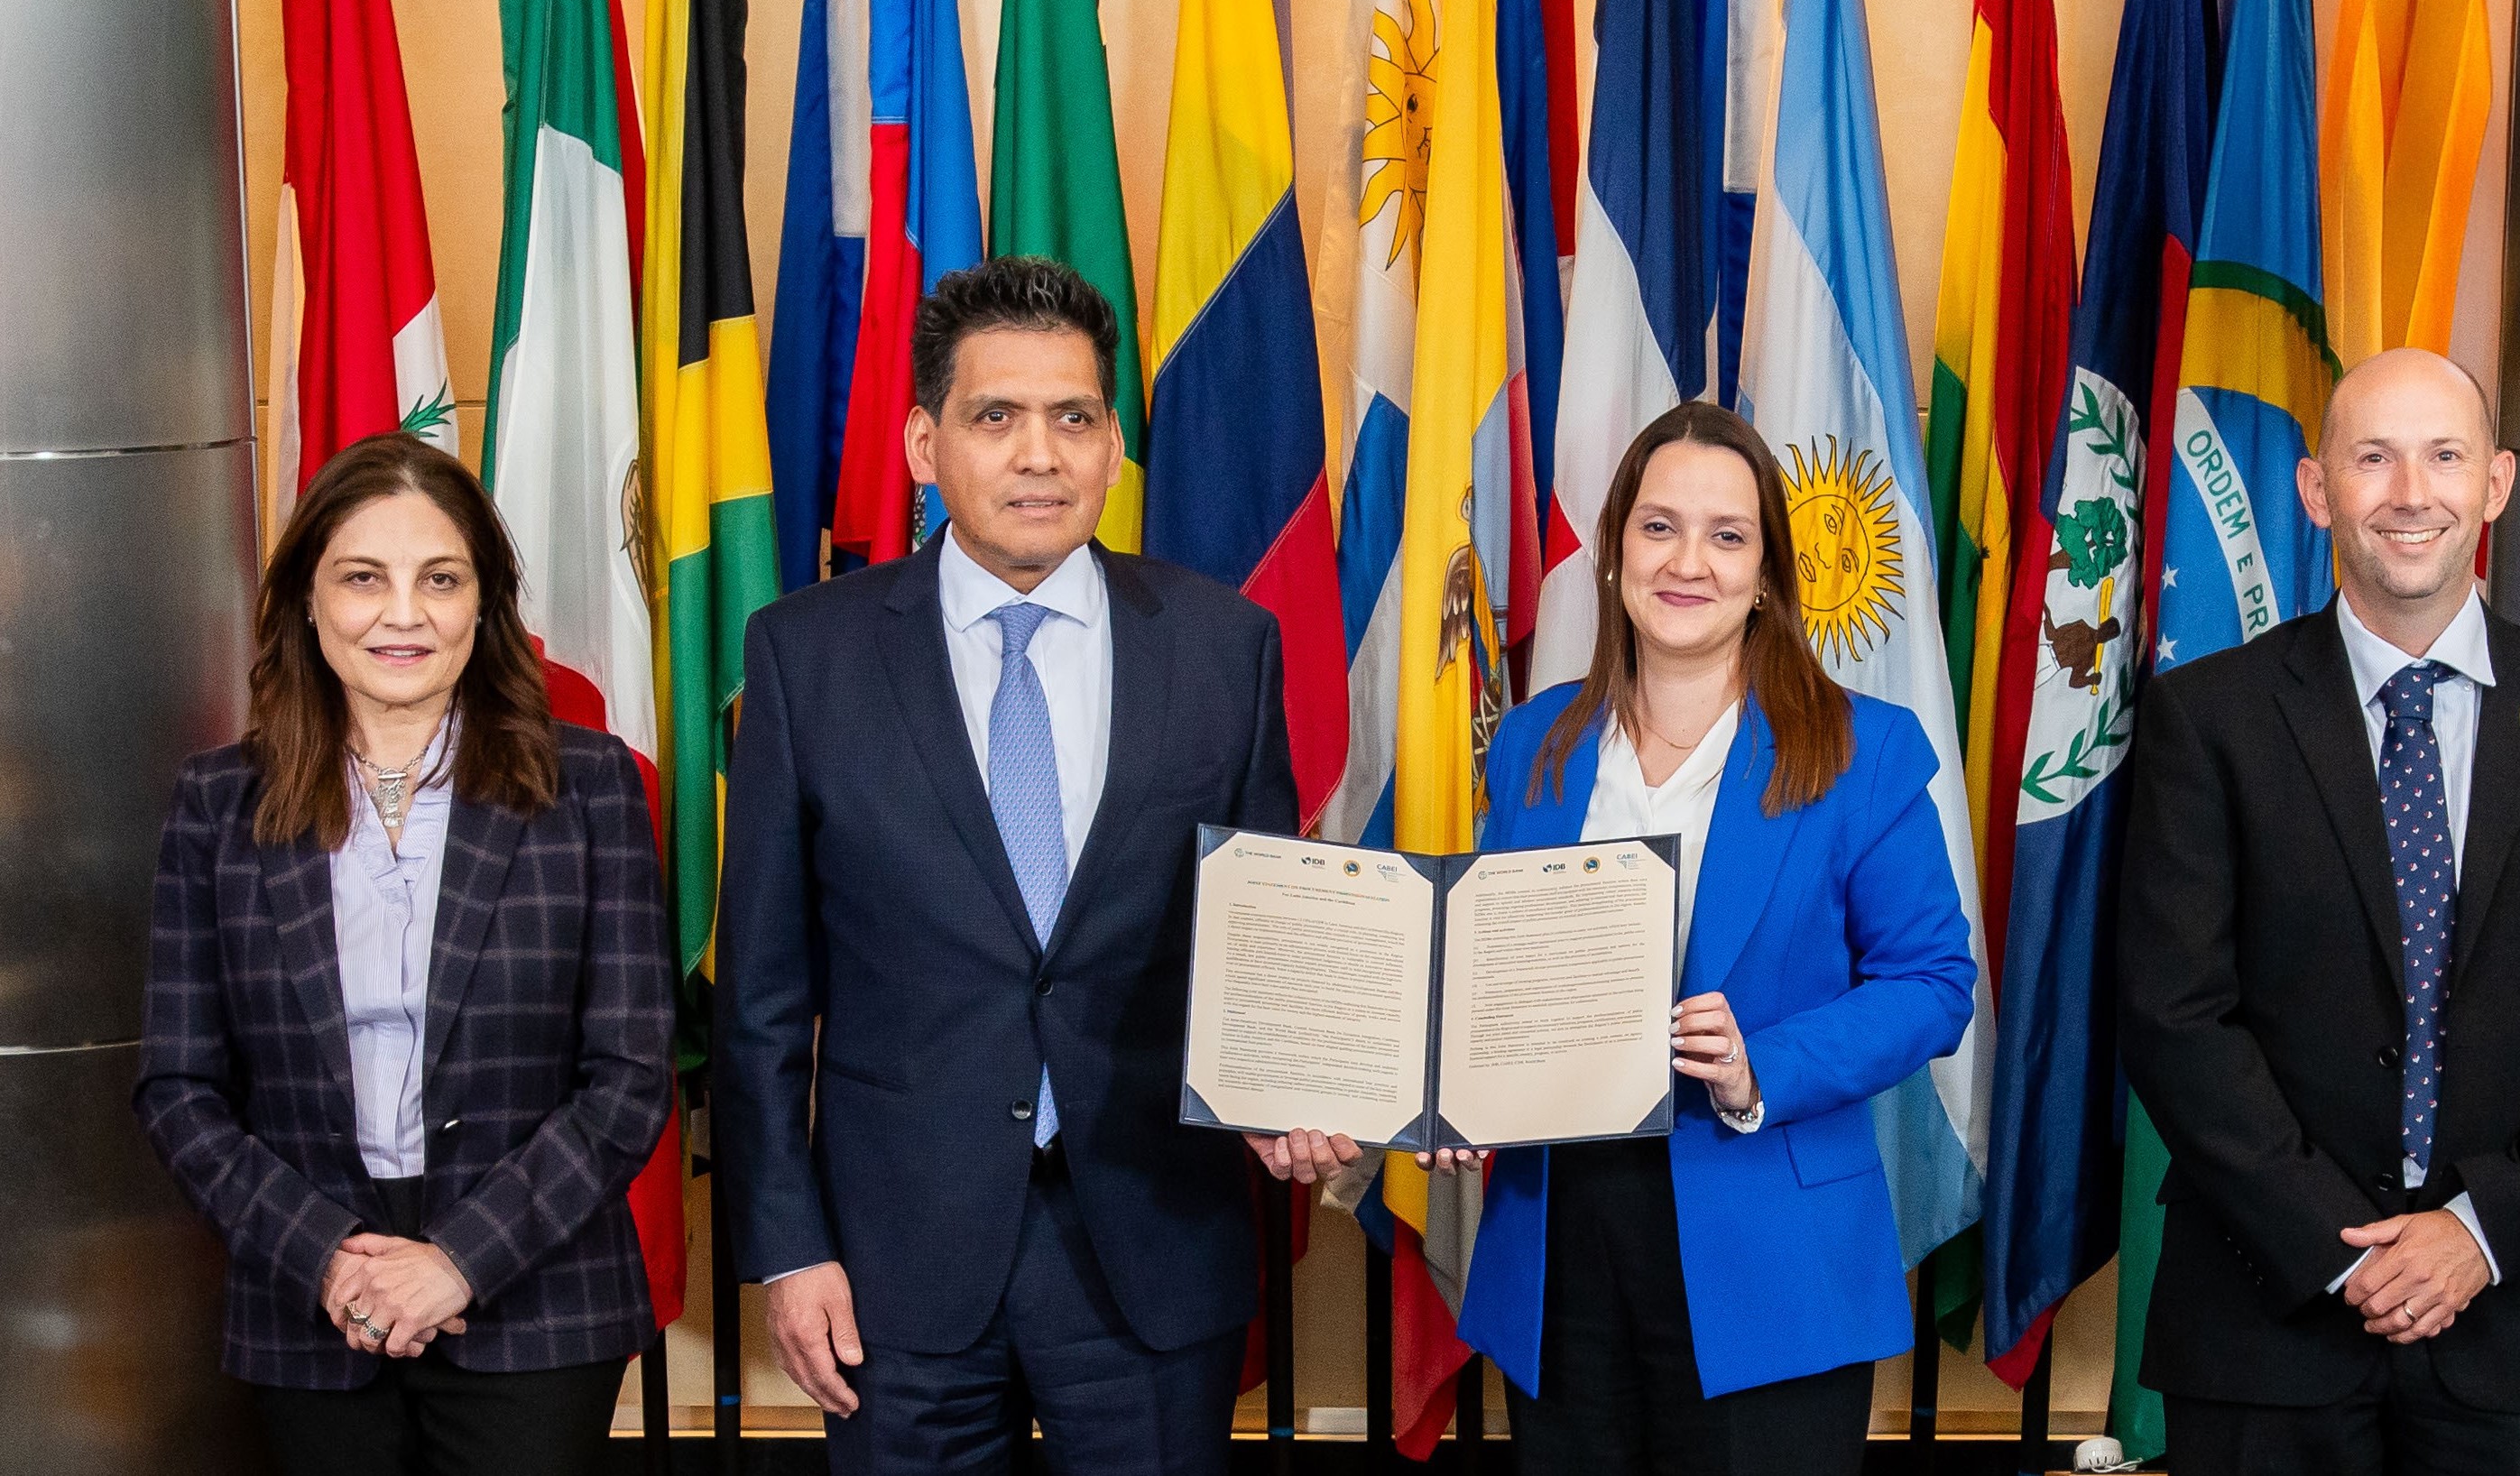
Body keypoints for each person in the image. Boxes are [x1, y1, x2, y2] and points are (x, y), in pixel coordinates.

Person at [1261, 402, 1974, 1474]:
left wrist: (1758, 1065)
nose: (1689, 561)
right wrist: (1443, 1090)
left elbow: (1933, 983)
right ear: (1612, 553)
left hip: (1772, 1261)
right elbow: (1487, 967)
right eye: (1659, 527)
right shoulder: (1539, 740)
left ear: (1770, 572)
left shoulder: (1860, 750)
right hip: (1558, 1250)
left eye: (1728, 536)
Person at [716, 256, 1299, 1474]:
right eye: (997, 416)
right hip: (889, 1262)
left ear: (1111, 443)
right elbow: (762, 997)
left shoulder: (1223, 648)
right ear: (926, 443)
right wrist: (786, 1240)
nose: (1040, 453)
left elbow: (1272, 950)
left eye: (1074, 417)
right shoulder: (803, 659)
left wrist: (1317, 1084)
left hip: (1151, 1245)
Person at [2118, 348, 2520, 1475]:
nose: (2410, 492)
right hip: (2263, 1325)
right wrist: (2343, 1250)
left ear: (2498, 484)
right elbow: (2174, 1015)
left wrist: (2480, 1236)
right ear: (2315, 489)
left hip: (2517, 1325)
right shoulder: (2210, 719)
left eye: (2444, 456)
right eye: (2373, 458)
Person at [134, 433, 677, 1476]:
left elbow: (628, 1079)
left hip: (537, 1293)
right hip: (305, 1302)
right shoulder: (216, 804)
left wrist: (460, 1261)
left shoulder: (592, 787)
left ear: (486, 600)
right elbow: (179, 1089)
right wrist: (328, 1259)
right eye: (361, 578)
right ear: (304, 598)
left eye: (441, 579)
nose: (403, 614)